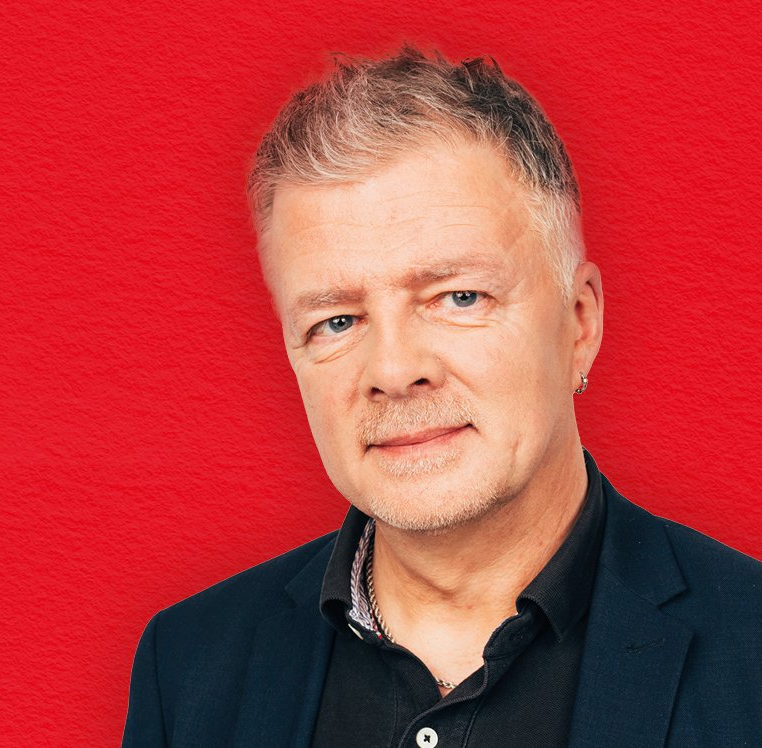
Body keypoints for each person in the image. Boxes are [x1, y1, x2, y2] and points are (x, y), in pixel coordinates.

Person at [122, 47, 762, 747]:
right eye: (337, 321)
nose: (395, 370)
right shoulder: (187, 666)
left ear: (579, 323)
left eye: (459, 297)